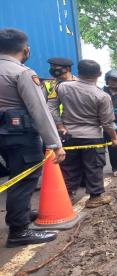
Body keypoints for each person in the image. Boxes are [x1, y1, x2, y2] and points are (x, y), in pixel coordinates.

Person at [0, 28, 66, 247]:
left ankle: (21, 213)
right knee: (24, 179)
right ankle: (18, 231)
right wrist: (55, 144)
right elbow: (39, 110)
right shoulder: (22, 73)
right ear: (25, 49)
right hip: (19, 136)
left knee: (14, 177)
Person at [48, 59, 117, 208]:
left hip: (68, 135)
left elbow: (51, 108)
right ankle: (95, 198)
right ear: (99, 74)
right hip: (93, 137)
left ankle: (66, 197)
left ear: (78, 72)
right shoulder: (102, 96)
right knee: (94, 167)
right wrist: (114, 138)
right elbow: (107, 123)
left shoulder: (62, 87)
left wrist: (60, 126)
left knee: (68, 167)